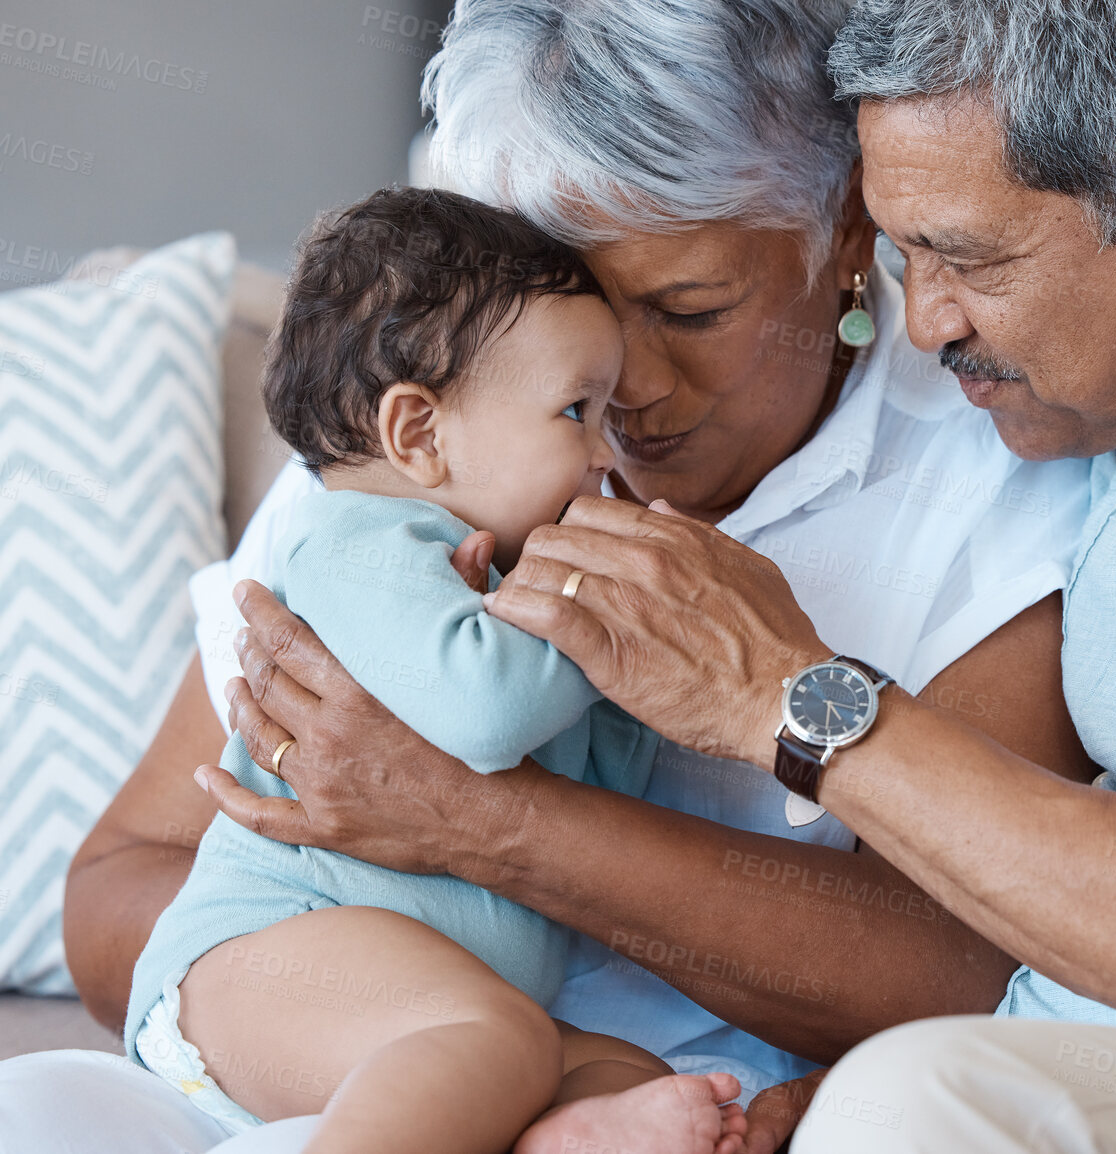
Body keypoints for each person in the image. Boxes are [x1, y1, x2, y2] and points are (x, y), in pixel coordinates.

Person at [208, 0, 1116, 1150]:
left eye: (958, 255)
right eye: (902, 256)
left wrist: (787, 696)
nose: (919, 326)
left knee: (919, 1110)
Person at [0, 3, 1093, 1152]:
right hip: (351, 1064)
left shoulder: (996, 477)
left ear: (848, 230)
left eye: (688, 309)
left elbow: (955, 971)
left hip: (651, 1100)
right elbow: (117, 894)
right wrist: (382, 1000)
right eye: (572, 332)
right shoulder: (428, 451)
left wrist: (479, 822)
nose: (626, 392)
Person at [126, 185, 753, 1154]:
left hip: (412, 1008)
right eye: (576, 411)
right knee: (490, 1038)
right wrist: (591, 609)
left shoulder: (495, 583)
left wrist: (647, 667)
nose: (606, 454)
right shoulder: (359, 538)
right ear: (419, 435)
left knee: (619, 1071)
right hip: (265, 954)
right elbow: (490, 713)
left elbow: (601, 781)